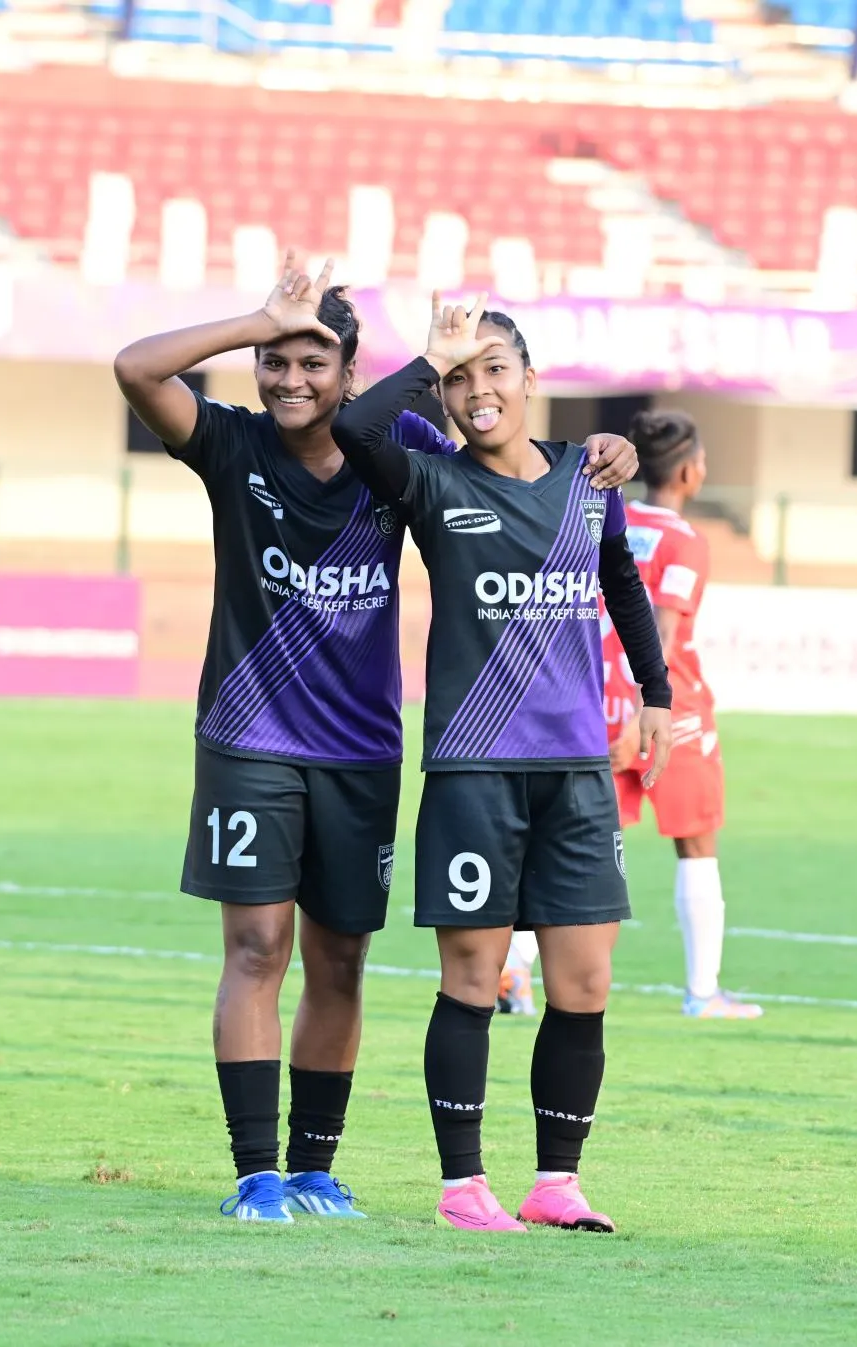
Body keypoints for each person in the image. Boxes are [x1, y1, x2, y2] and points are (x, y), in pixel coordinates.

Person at [113, 254, 639, 1225]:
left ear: (350, 376)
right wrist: (253, 321)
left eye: (314, 363)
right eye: (275, 361)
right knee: (257, 945)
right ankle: (254, 1172)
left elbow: (504, 437)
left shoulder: (394, 442)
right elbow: (137, 369)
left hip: (362, 750)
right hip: (249, 736)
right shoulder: (228, 442)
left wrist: (602, 449)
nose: (290, 380)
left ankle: (315, 1168)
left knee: (341, 958)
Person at [333, 295, 673, 1235]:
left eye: (493, 368)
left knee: (584, 983)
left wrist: (656, 694)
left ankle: (556, 1182)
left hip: (575, 772)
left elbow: (621, 583)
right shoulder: (431, 482)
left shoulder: (587, 476)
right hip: (474, 769)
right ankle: (462, 1187)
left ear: (531, 378)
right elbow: (355, 424)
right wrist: (426, 354)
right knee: (473, 977)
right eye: (458, 377)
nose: (477, 390)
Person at [602, 410, 761, 1020]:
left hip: (595, 699)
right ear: (692, 472)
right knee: (696, 844)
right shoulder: (686, 540)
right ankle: (703, 993)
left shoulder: (609, 521)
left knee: (578, 845)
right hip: (670, 711)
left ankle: (515, 978)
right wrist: (645, 715)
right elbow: (663, 632)